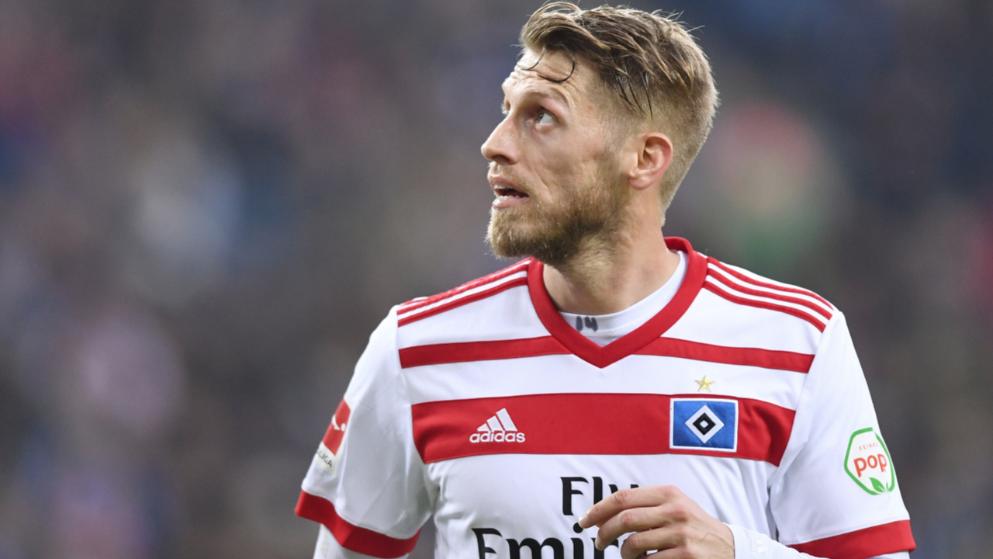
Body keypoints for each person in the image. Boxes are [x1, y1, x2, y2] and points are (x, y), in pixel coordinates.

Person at [295, 3, 915, 558]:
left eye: (541, 117)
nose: (494, 144)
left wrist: (736, 553)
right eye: (507, 111)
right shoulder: (416, 348)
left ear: (644, 159)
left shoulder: (797, 342)